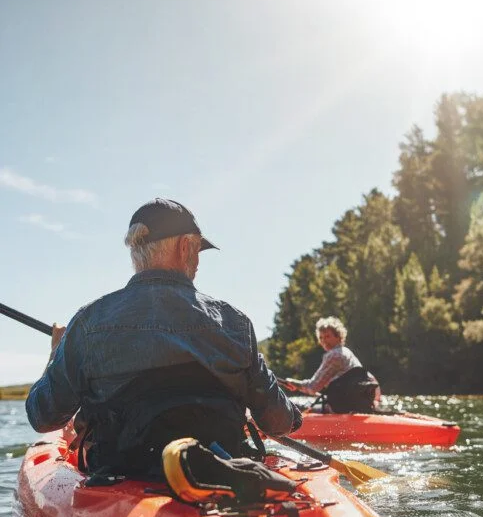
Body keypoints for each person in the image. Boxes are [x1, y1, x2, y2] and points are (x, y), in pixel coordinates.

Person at [26, 198, 302, 480]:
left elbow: (43, 416)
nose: (197, 262)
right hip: (222, 472)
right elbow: (278, 422)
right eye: (197, 251)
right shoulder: (235, 323)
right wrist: (293, 413)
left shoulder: (87, 323)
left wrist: (56, 354)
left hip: (121, 475)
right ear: (184, 247)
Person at [284, 316, 380, 413]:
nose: (323, 341)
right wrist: (375, 402)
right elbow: (372, 380)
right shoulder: (347, 353)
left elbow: (312, 387)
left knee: (291, 406)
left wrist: (294, 383)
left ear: (338, 336)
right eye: (321, 337)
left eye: (327, 336)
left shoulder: (333, 355)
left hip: (340, 408)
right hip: (357, 407)